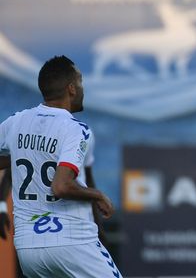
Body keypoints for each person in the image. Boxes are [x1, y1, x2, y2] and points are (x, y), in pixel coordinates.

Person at [0, 55, 122, 278]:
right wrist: (97, 195)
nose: (82, 89)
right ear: (71, 88)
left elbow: (11, 160)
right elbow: (61, 186)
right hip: (72, 242)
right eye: (80, 82)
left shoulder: (16, 122)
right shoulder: (76, 129)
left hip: (29, 249)